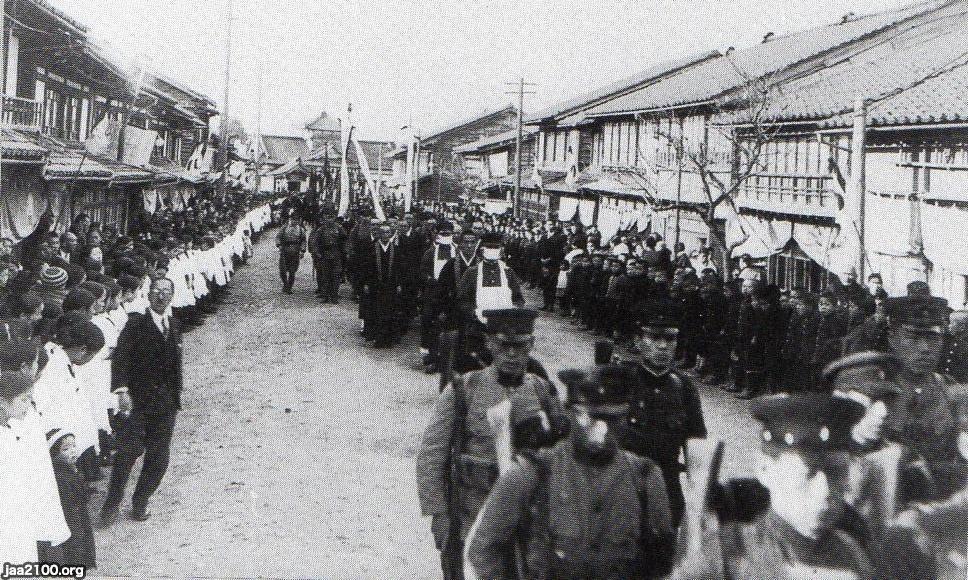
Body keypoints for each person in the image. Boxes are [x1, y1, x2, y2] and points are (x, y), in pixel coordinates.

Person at [674, 392, 935, 579]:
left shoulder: (853, 555)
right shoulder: (727, 554)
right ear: (765, 470)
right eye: (808, 473)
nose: (824, 493)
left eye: (836, 472)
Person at [465, 364, 675, 580]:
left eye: (612, 420)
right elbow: (483, 550)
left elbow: (662, 564)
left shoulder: (645, 478)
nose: (601, 431)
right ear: (570, 414)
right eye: (590, 418)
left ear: (626, 418)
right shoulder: (532, 472)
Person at [416, 308, 568, 580]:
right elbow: (432, 455)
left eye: (520, 346)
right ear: (489, 344)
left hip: (526, 523)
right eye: (503, 345)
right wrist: (438, 515)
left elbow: (562, 455)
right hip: (472, 516)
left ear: (531, 345)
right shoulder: (464, 389)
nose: (511, 354)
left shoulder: (542, 391)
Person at [100, 277, 183, 526]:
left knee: (159, 457)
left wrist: (176, 395)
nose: (161, 296)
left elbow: (176, 365)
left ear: (171, 296)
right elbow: (121, 358)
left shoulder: (175, 324)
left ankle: (141, 500)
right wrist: (122, 391)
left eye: (166, 292)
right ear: (148, 295)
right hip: (138, 401)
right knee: (128, 453)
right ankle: (112, 504)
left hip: (166, 403)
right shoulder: (135, 324)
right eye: (156, 291)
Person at [618, 299, 707, 527]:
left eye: (670, 339)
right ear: (638, 341)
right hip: (623, 486)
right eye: (654, 338)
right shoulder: (620, 381)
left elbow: (696, 443)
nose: (662, 346)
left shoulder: (684, 387)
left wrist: (700, 495)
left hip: (667, 487)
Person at [882, 294, 966, 499]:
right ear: (893, 339)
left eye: (932, 337)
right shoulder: (876, 392)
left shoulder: (953, 393)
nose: (925, 348)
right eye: (913, 337)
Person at [40, 429, 97, 569]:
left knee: (79, 539)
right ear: (54, 454)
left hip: (76, 512)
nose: (72, 451)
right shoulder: (60, 476)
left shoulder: (69, 468)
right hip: (71, 516)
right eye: (66, 448)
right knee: (75, 542)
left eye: (74, 446)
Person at [359, 223, 404, 348]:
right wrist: (366, 283)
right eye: (383, 232)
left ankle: (388, 339)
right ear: (379, 234)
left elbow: (399, 268)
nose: (385, 235)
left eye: (388, 232)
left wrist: (399, 284)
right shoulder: (372, 248)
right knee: (376, 311)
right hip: (375, 285)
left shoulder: (395, 249)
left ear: (390, 234)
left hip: (391, 285)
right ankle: (378, 338)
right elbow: (366, 267)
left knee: (389, 311)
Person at [310, 208, 347, 304]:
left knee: (336, 276)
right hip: (325, 255)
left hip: (336, 255)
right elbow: (315, 243)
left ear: (334, 217)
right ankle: (325, 296)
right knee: (325, 276)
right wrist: (317, 253)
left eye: (331, 217)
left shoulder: (339, 228)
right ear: (324, 218)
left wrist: (345, 253)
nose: (329, 219)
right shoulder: (321, 229)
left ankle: (334, 296)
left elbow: (345, 241)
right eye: (327, 217)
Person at [275, 214, 307, 294]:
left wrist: (302, 251)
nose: (295, 221)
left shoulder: (301, 229)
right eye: (293, 219)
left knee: (292, 271)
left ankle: (289, 287)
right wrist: (279, 245)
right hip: (285, 251)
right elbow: (278, 237)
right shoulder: (284, 227)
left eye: (297, 220)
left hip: (295, 251)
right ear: (290, 219)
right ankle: (285, 284)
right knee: (283, 270)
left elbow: (303, 240)